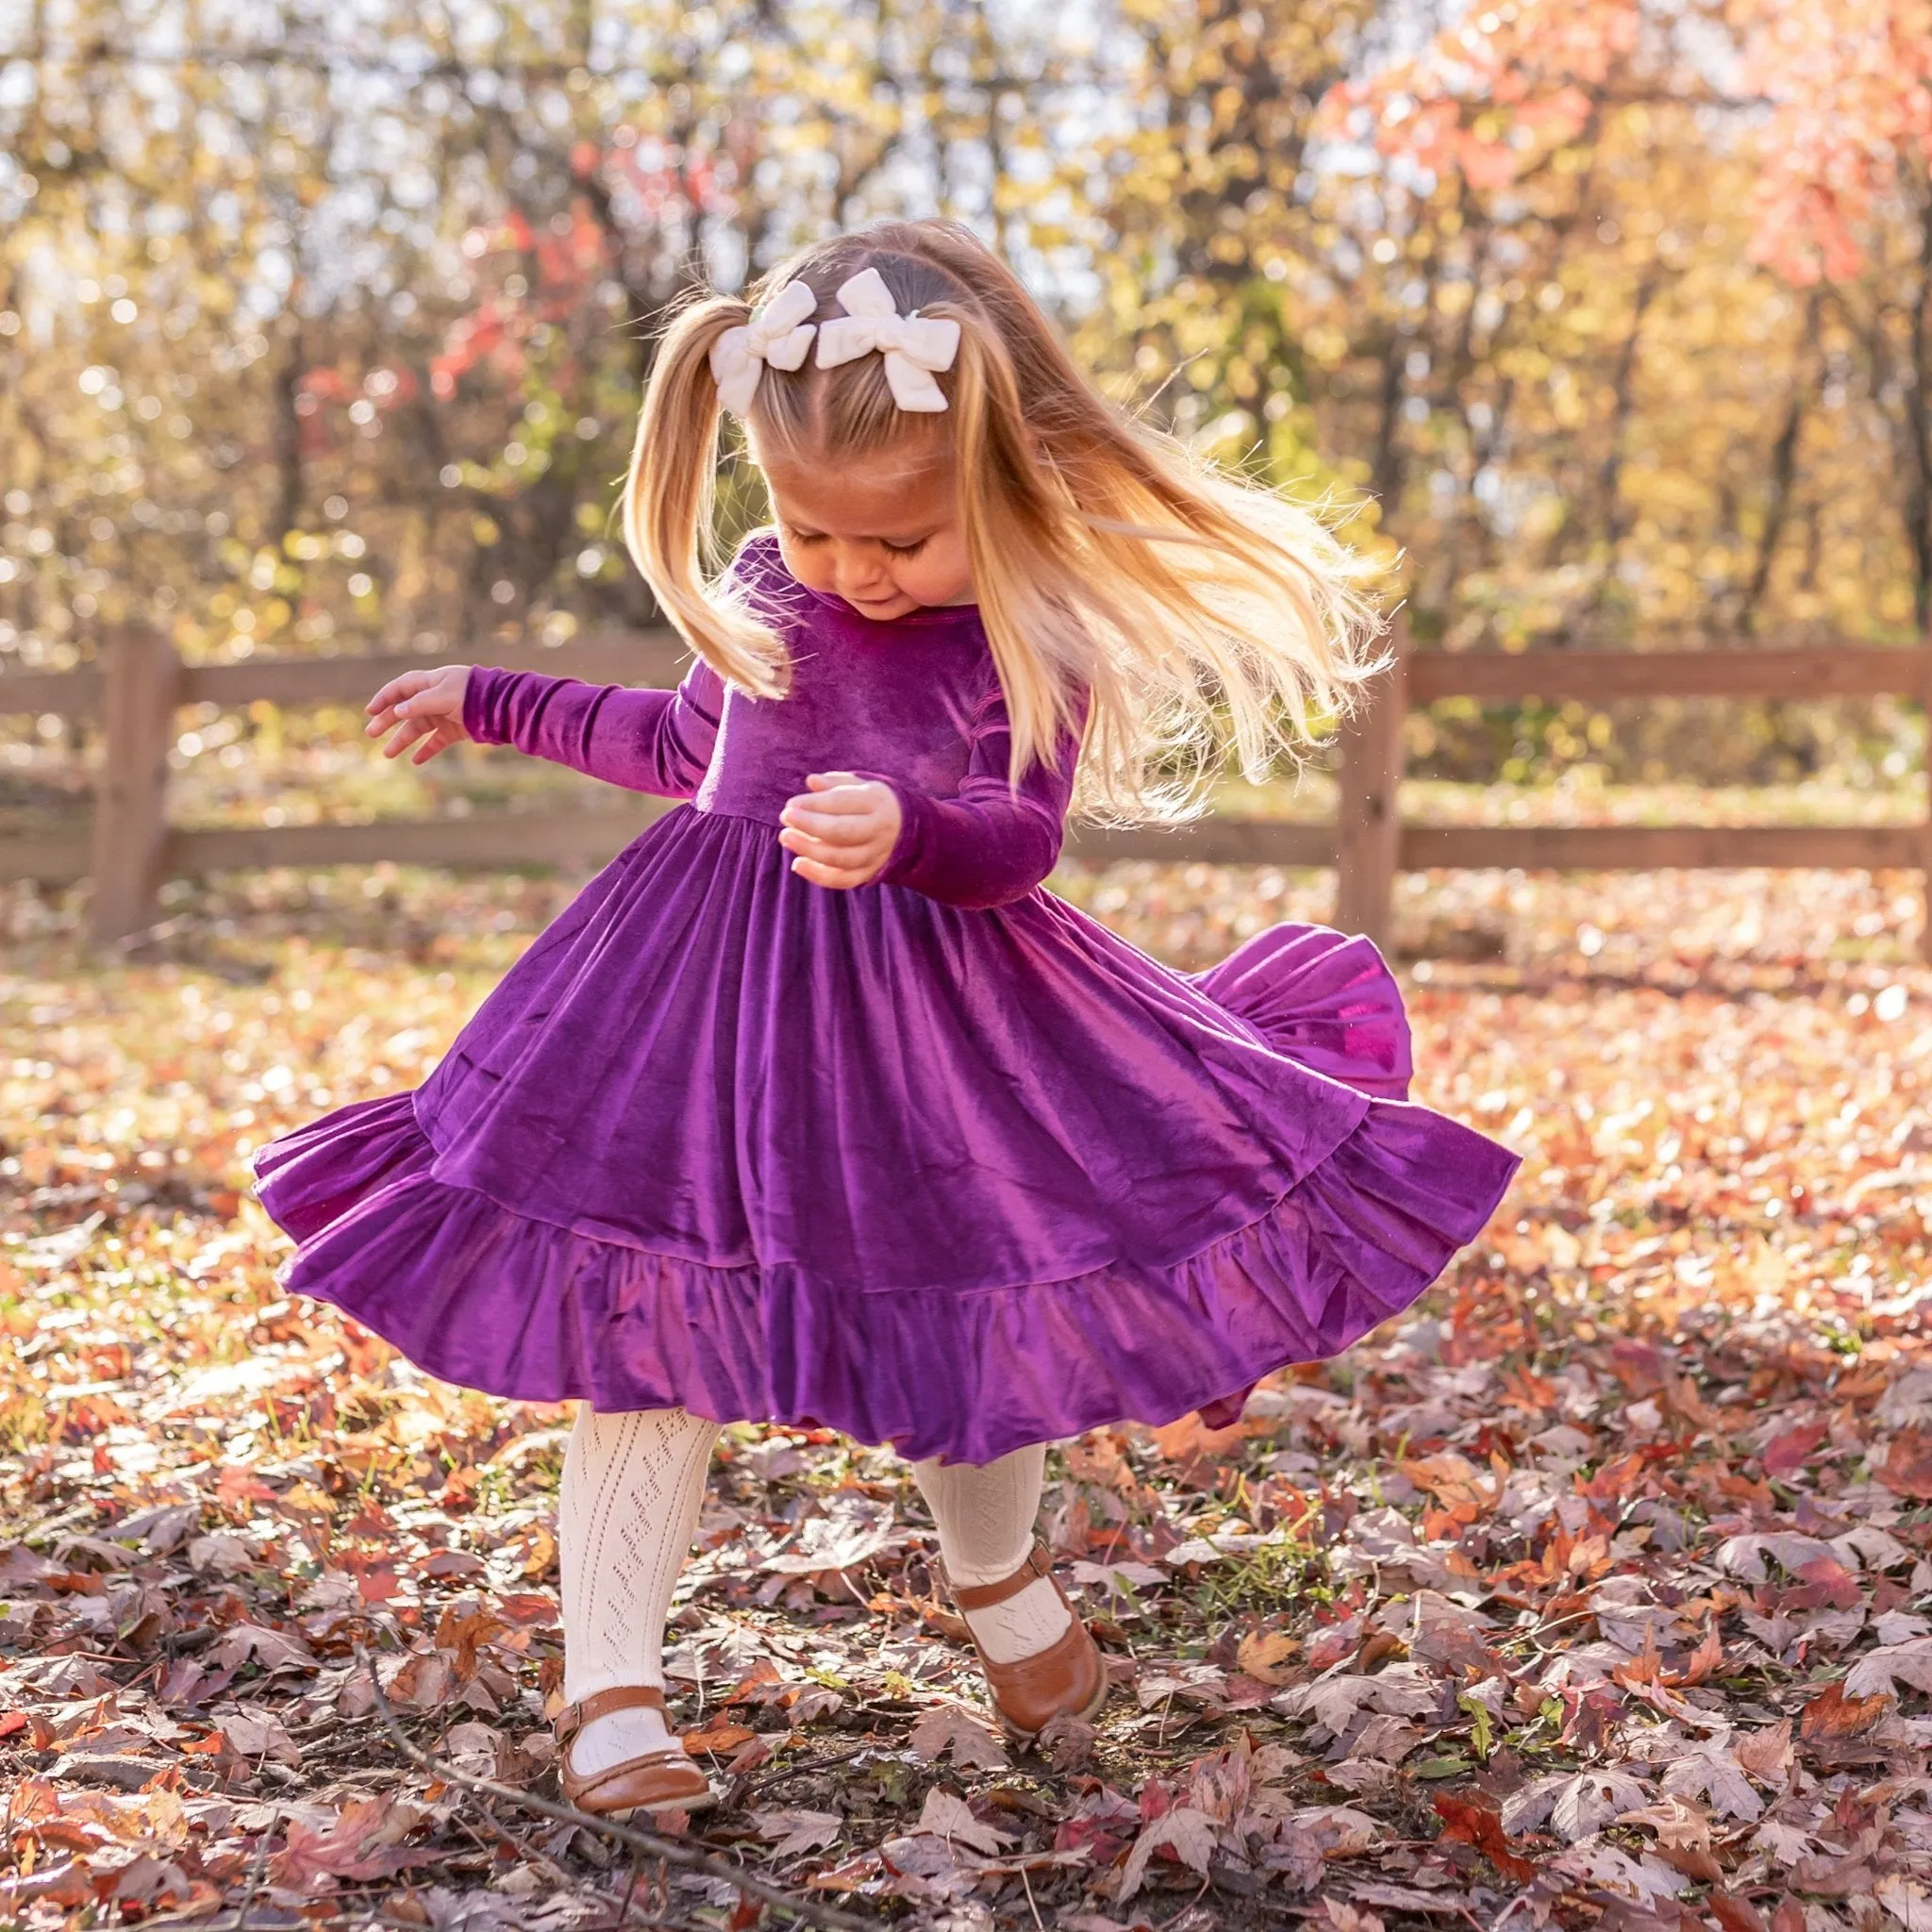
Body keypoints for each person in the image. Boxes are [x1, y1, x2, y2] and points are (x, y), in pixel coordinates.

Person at [254, 220, 1518, 1823]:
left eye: (903, 541)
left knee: (973, 1304)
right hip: (698, 1004)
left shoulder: (1026, 626)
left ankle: (1000, 1589)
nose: (854, 570)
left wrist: (909, 831)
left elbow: (1018, 841)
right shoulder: (772, 578)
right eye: (814, 528)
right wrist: (491, 696)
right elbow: (683, 742)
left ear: (994, 481)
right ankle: (614, 1701)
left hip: (934, 1018)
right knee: (643, 1315)